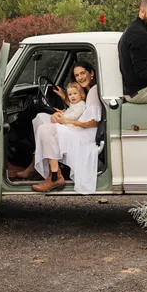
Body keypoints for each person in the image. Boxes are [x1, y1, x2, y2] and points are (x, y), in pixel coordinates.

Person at [32, 61, 103, 193]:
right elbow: (80, 108)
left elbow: (94, 122)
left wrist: (66, 122)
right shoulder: (87, 91)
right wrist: (65, 98)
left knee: (45, 129)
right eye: (77, 75)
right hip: (79, 125)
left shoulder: (94, 91)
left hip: (86, 133)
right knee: (40, 118)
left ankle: (55, 176)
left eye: (83, 73)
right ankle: (41, 164)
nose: (80, 77)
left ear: (91, 73)